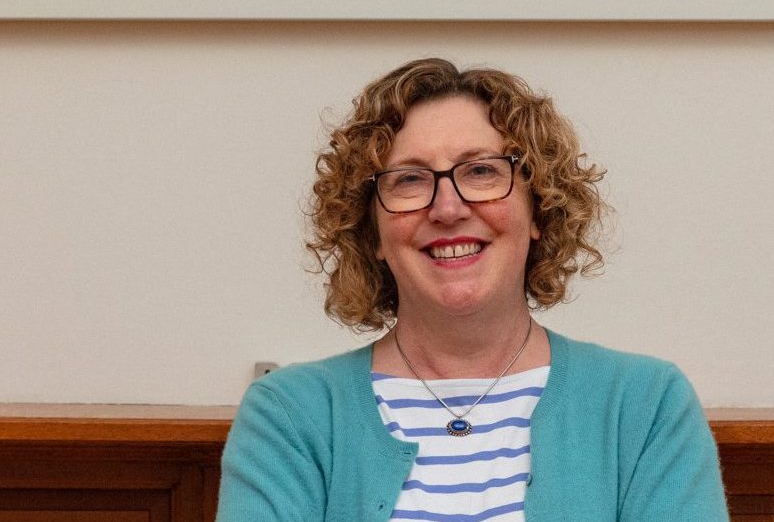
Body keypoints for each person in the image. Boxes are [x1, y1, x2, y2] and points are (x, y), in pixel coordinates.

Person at [217, 57, 729, 521]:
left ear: (538, 209)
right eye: (409, 180)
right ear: (371, 231)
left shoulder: (644, 403)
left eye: (481, 171)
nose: (447, 208)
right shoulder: (288, 413)